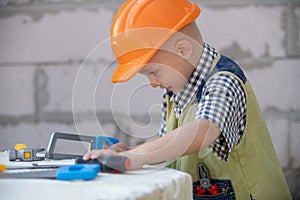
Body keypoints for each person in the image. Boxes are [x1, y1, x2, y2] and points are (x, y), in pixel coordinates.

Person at [84, 0, 291, 199]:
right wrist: (131, 151)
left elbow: (203, 130)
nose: (152, 83)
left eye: (153, 72)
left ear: (183, 50)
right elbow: (171, 138)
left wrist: (139, 157)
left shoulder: (223, 82)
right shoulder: (175, 92)